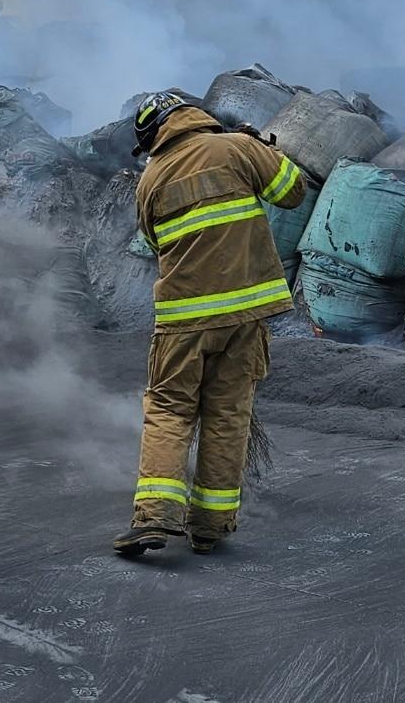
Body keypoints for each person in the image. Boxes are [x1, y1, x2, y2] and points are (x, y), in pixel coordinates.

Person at [113, 91, 305, 557]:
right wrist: (264, 149)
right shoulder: (238, 149)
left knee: (169, 411)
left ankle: (156, 517)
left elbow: (156, 243)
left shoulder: (151, 179)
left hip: (184, 319)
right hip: (245, 315)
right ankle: (211, 526)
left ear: (155, 135)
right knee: (227, 415)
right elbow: (293, 192)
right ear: (194, 116)